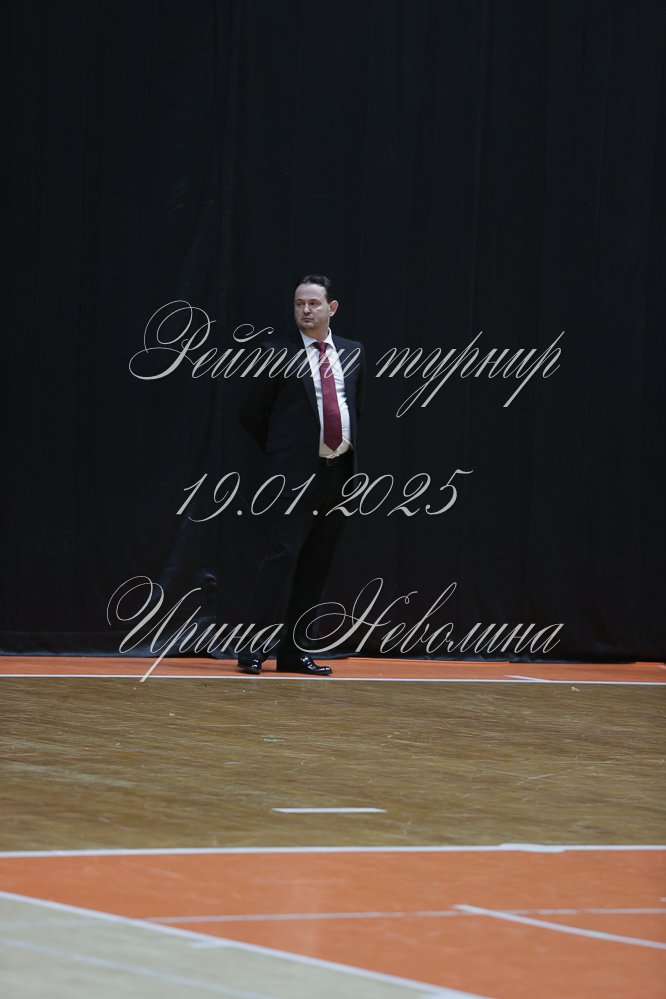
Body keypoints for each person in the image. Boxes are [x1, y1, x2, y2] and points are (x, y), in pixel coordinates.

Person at [235, 275, 365, 675]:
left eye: (313, 303)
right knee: (282, 557)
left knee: (317, 563)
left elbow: (353, 407)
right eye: (299, 304)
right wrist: (283, 453)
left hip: (337, 473)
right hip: (293, 475)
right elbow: (251, 412)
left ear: (332, 308)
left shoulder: (353, 351)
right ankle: (252, 647)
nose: (305, 310)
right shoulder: (277, 352)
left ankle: (293, 652)